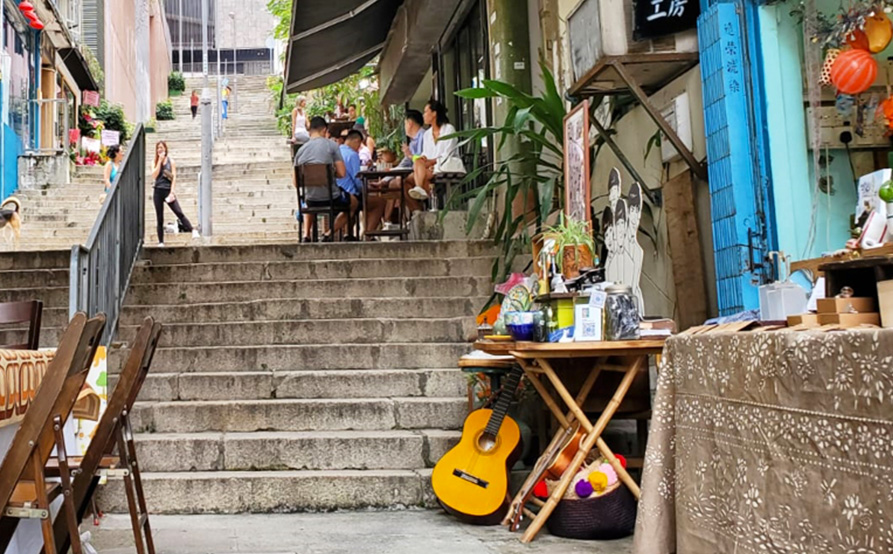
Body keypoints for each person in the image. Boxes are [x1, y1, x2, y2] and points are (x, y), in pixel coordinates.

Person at [294, 117, 351, 243]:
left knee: (309, 198)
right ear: (324, 130)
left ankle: (306, 235)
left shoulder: (300, 151)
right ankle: (328, 233)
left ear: (309, 131)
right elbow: (342, 173)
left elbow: (295, 182)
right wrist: (329, 173)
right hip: (331, 199)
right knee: (354, 203)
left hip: (311, 200)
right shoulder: (332, 145)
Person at [407, 99, 465, 201]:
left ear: (434, 113)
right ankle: (425, 194)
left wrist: (431, 162)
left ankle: (427, 197)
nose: (423, 115)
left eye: (426, 112)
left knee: (419, 175)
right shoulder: (427, 134)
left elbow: (448, 153)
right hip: (429, 167)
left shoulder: (448, 129)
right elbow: (426, 153)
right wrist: (425, 159)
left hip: (445, 164)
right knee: (417, 164)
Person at [151, 141, 199, 247]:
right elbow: (154, 176)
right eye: (158, 148)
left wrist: (172, 191)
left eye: (162, 148)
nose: (160, 150)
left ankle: (192, 229)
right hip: (158, 190)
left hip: (167, 190)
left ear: (165, 149)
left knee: (178, 212)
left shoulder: (171, 161)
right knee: (159, 217)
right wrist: (159, 161)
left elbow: (174, 177)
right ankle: (161, 241)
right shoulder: (154, 161)